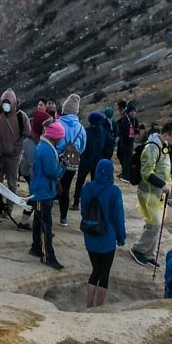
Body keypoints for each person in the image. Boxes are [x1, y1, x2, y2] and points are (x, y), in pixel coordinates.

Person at [78, 158, 127, 308]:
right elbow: (119, 217)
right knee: (104, 273)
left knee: (95, 270)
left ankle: (88, 304)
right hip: (107, 238)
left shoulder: (87, 187)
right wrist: (121, 237)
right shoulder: (114, 191)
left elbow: (84, 211)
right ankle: (99, 307)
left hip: (90, 237)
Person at [130, 123, 172, 267]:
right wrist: (162, 184)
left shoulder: (162, 145)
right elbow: (146, 172)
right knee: (154, 224)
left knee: (156, 223)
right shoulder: (152, 147)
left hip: (159, 193)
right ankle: (138, 249)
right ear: (166, 134)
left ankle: (149, 253)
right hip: (149, 192)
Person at [29, 120, 66, 270]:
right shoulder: (46, 149)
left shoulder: (45, 146)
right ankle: (47, 256)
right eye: (60, 137)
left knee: (39, 222)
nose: (61, 140)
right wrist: (63, 165)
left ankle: (36, 247)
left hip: (40, 190)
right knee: (46, 225)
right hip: (43, 191)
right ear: (54, 136)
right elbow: (53, 172)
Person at [74, 110, 115, 211]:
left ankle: (75, 203)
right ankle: (93, 204)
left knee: (80, 182)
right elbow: (112, 142)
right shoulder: (103, 132)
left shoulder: (86, 131)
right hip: (98, 162)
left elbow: (78, 145)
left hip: (85, 161)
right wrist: (105, 155)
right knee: (95, 183)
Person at [56, 94, 87, 227]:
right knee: (67, 188)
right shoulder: (81, 128)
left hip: (58, 158)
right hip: (73, 159)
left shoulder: (58, 123)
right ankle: (63, 218)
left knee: (53, 185)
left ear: (64, 109)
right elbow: (83, 147)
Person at [0, 89, 29, 192]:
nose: (5, 105)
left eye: (8, 102)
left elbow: (26, 134)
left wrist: (16, 148)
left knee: (12, 183)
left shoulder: (21, 116)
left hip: (13, 157)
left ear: (13, 102)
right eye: (4, 102)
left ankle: (9, 207)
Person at [115, 101, 139, 183]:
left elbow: (137, 130)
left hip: (130, 142)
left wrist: (134, 131)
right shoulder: (125, 119)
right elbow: (121, 129)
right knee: (122, 156)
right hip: (123, 141)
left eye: (134, 111)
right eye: (131, 111)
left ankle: (126, 175)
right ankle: (125, 173)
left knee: (127, 159)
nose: (133, 113)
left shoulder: (135, 120)